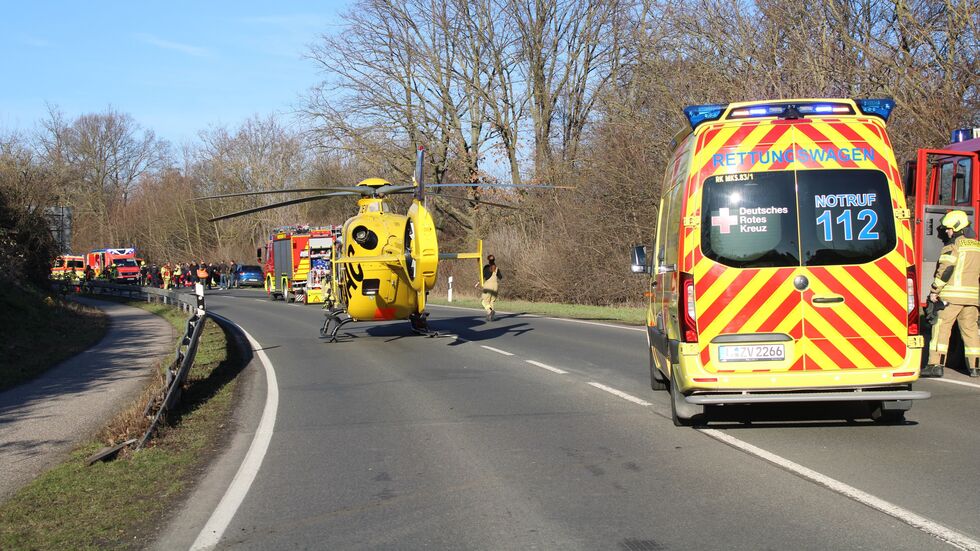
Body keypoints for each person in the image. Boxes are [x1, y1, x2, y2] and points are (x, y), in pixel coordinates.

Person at [925, 210, 980, 378]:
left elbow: (946, 270)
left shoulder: (952, 246)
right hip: (972, 299)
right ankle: (975, 367)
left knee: (941, 329)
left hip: (951, 297)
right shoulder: (977, 247)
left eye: (948, 229)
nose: (947, 232)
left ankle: (935, 365)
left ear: (956, 228)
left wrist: (934, 291)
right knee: (971, 332)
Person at [476, 254, 502, 322]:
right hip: (495, 286)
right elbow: (500, 277)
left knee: (484, 301)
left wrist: (478, 283)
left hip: (488, 286)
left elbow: (483, 277)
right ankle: (490, 316)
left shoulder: (486, 268)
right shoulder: (496, 268)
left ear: (488, 260)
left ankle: (489, 311)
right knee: (491, 301)